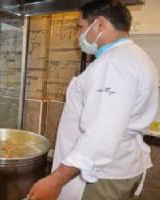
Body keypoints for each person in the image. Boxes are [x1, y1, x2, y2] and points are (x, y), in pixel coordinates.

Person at [28, 1, 159, 200]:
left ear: (100, 23)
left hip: (103, 175)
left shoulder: (113, 65)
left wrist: (55, 180)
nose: (78, 35)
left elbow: (102, 134)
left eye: (80, 27)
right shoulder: (136, 56)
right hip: (123, 166)